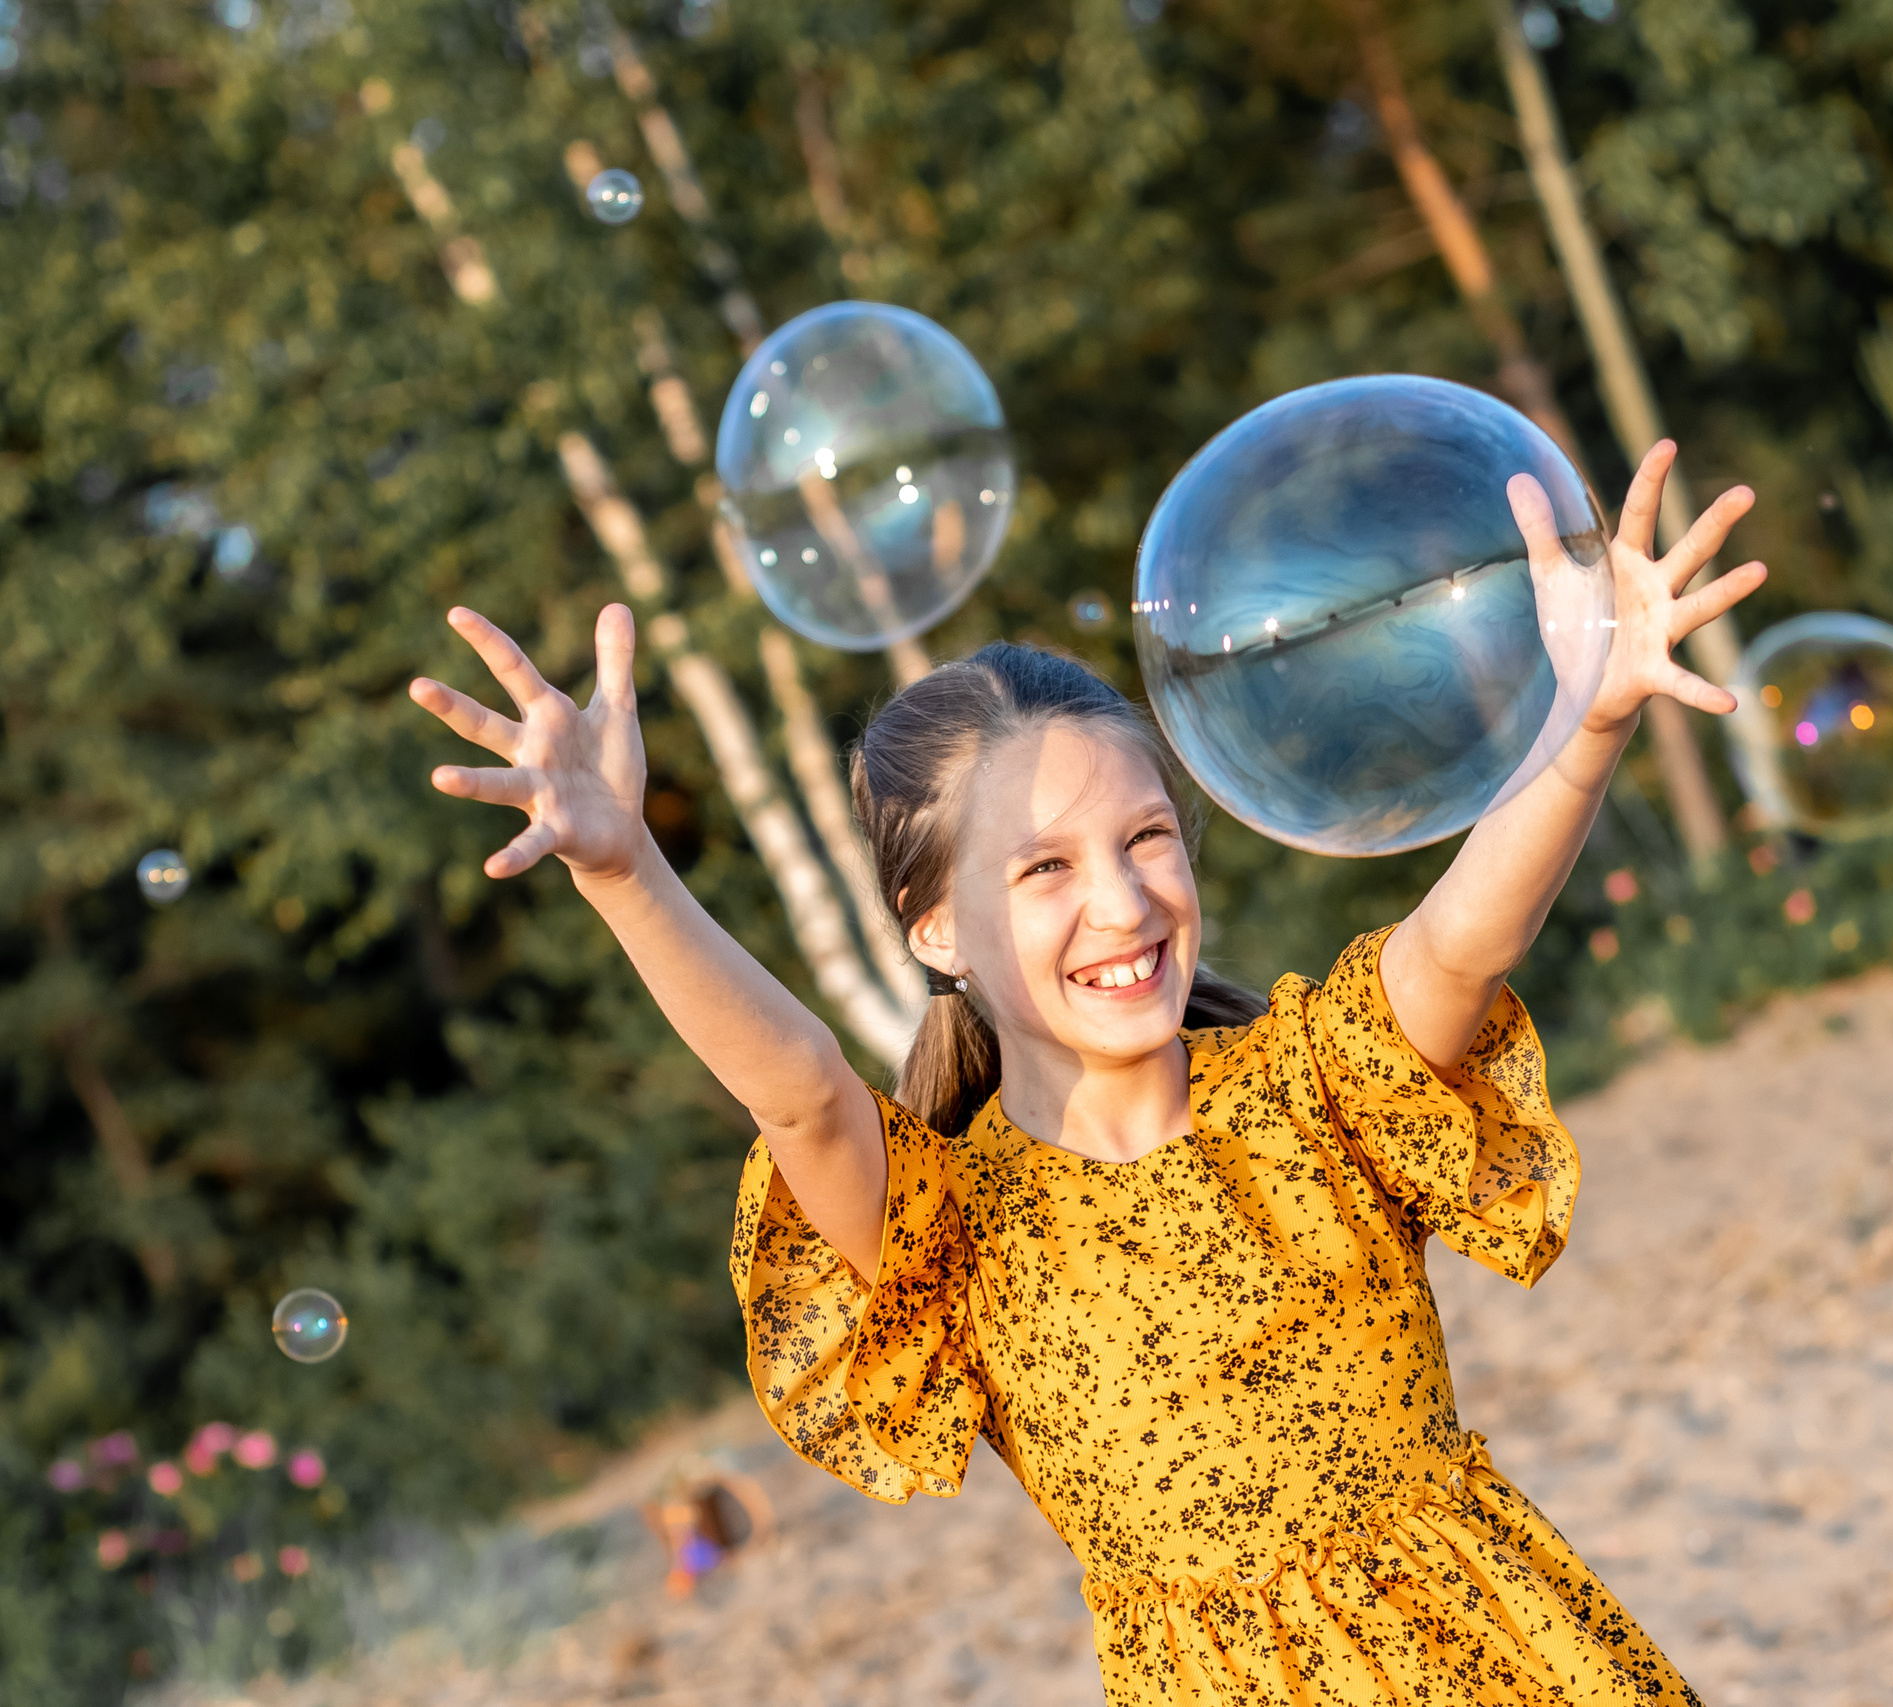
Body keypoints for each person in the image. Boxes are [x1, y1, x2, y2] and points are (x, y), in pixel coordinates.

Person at [409, 443, 1765, 1704]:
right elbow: (804, 1092)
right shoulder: (949, 1227)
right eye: (1044, 869)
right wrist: (623, 869)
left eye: (1147, 841)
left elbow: (1466, 937)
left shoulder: (1313, 1086)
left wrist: (1586, 723)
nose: (1120, 906)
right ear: (936, 928)